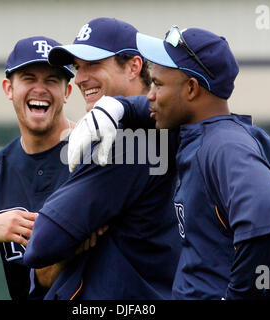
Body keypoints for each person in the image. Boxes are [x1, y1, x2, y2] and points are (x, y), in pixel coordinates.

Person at [66, 26, 270, 299]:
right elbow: (150, 108)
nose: (150, 94)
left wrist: (247, 294)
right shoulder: (200, 133)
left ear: (190, 88)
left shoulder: (225, 146)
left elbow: (266, 222)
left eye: (159, 84)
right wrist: (117, 106)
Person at [22, 17, 182, 300]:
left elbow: (42, 244)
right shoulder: (176, 125)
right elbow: (43, 267)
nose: (81, 77)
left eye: (93, 63)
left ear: (134, 66)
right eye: (77, 67)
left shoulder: (124, 140)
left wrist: (66, 240)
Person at [0, 36, 101, 300]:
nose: (40, 89)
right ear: (8, 89)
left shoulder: (96, 154)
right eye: (28, 78)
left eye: (52, 80)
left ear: (67, 92)